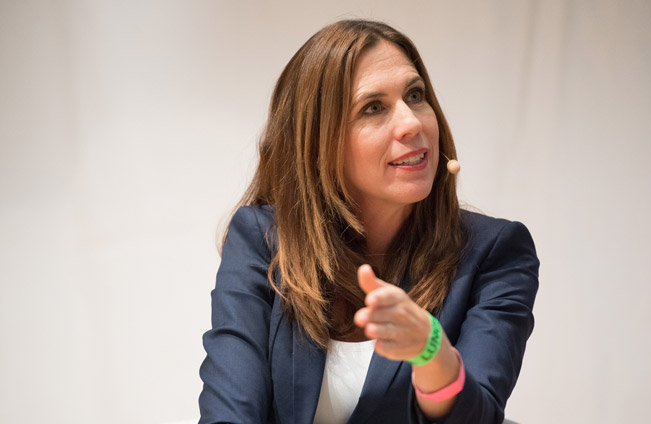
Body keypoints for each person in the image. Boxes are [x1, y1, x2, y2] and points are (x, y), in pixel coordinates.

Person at [198, 19, 539, 424]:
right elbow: (231, 411)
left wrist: (432, 351)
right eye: (373, 107)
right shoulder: (263, 240)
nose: (412, 122)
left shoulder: (496, 251)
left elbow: (478, 417)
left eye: (415, 96)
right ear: (318, 143)